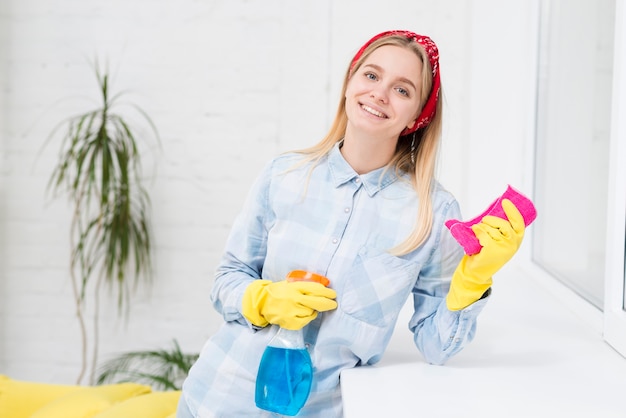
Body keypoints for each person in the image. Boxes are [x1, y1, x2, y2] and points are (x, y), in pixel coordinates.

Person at [177, 29, 526, 417]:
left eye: (403, 90)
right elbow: (227, 277)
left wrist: (472, 282)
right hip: (216, 398)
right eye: (372, 76)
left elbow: (436, 346)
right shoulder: (285, 175)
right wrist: (261, 300)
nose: (379, 94)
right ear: (350, 82)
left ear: (417, 116)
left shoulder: (432, 213)